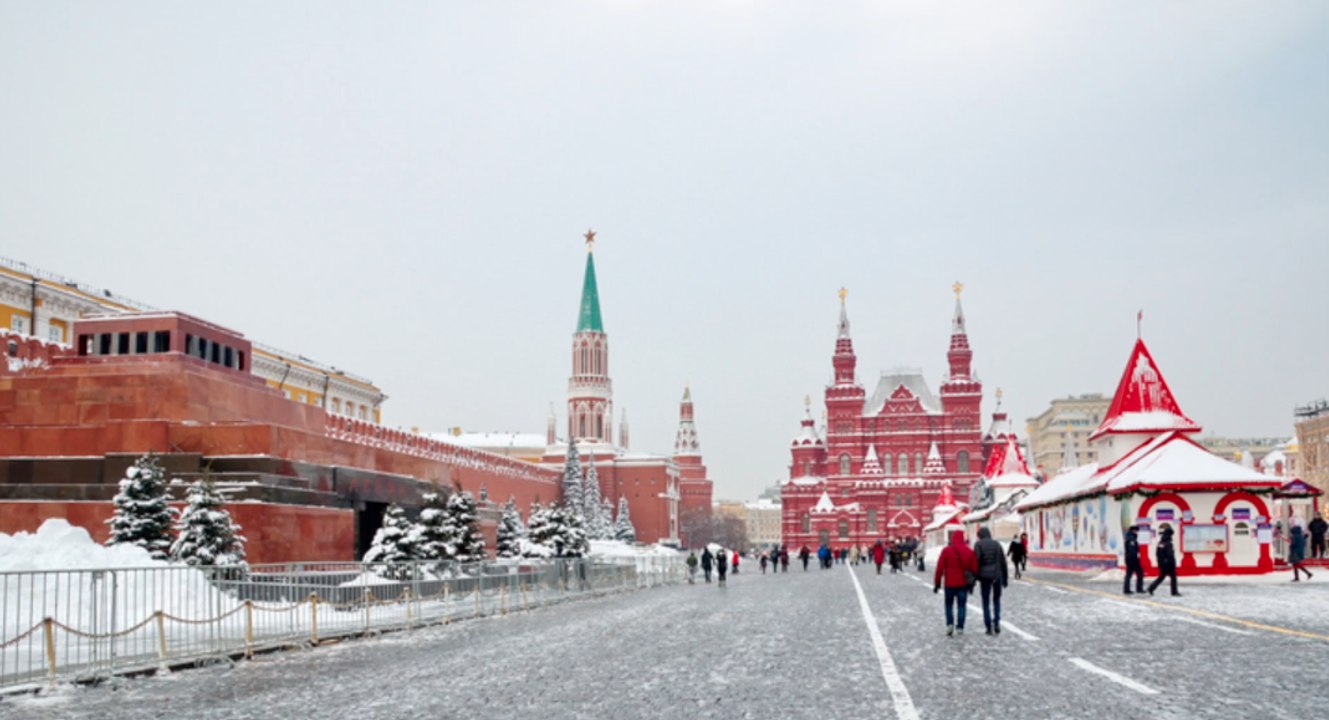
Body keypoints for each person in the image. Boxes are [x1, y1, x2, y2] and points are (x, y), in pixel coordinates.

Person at [933, 529, 978, 637]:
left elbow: (940, 568)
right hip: (963, 584)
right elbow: (975, 569)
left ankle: (950, 624)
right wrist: (972, 582)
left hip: (949, 584)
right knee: (961, 605)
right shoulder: (969, 551)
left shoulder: (946, 551)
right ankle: (960, 627)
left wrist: (937, 583)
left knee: (949, 605)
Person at [973, 527, 1008, 635]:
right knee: (996, 599)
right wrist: (1005, 579)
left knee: (985, 601)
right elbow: (1003, 562)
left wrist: (974, 577)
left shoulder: (978, 545)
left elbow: (976, 562)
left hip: (984, 577)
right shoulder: (997, 544)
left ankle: (988, 626)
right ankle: (996, 621)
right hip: (997, 576)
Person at [1147, 526, 1180, 597]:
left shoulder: (1160, 542)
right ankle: (1174, 592)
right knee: (1173, 577)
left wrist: (1160, 561)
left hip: (1162, 563)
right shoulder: (1168, 543)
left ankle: (1151, 588)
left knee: (1161, 577)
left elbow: (1157, 553)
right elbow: (1170, 554)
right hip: (1169, 564)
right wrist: (1172, 563)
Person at [1122, 526, 1145, 595]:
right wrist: (1135, 558)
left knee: (1133, 574)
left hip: (1131, 558)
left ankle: (1129, 589)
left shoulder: (1131, 538)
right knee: (1135, 573)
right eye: (1136, 531)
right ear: (1133, 531)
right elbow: (1132, 550)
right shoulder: (1131, 539)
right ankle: (1137, 589)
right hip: (1132, 559)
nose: (1137, 532)